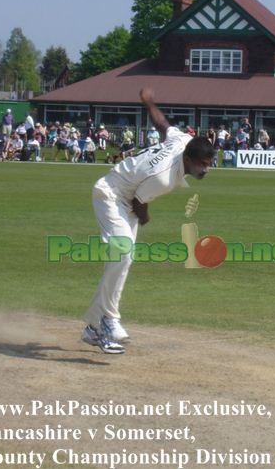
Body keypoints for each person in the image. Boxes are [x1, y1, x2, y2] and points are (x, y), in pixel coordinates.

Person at [81, 87, 215, 354]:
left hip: (127, 198)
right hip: (111, 195)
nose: (205, 170)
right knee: (122, 256)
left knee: (119, 263)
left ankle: (94, 326)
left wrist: (148, 101)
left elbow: (162, 124)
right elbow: (139, 204)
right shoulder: (164, 178)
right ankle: (109, 320)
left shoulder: (181, 141)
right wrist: (146, 219)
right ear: (188, 159)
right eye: (202, 164)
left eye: (209, 164)